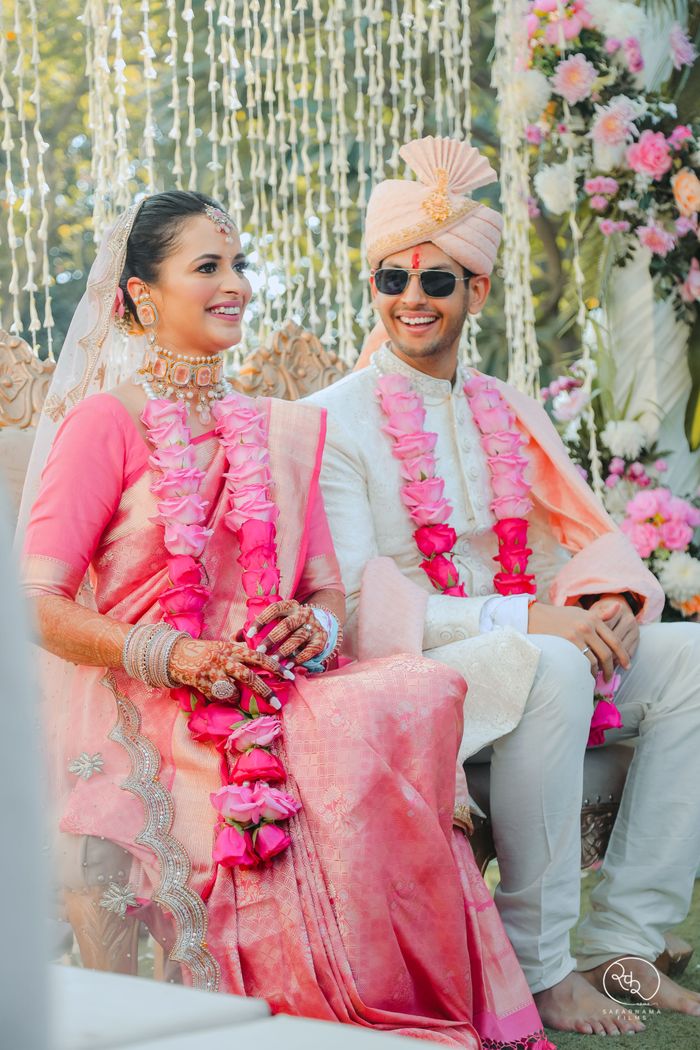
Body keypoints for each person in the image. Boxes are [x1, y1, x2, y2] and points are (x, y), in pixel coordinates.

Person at [19, 191, 553, 1049]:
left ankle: (390, 1001)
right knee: (345, 747)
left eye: (237, 265)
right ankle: (321, 1008)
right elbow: (36, 606)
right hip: (148, 705)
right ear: (142, 296)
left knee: (415, 691)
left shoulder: (279, 429)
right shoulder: (104, 424)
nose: (235, 285)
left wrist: (322, 630)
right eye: (207, 268)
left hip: (270, 687)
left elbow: (321, 591)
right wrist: (177, 655)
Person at [307, 136, 700, 1037]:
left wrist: (603, 604)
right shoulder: (334, 420)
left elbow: (578, 541)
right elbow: (366, 616)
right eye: (391, 279)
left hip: (522, 647)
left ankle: (623, 940)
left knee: (690, 660)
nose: (411, 298)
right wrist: (534, 619)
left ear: (475, 293)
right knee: (549, 665)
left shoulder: (505, 405)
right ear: (373, 287)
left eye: (436, 281)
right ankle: (540, 963)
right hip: (410, 672)